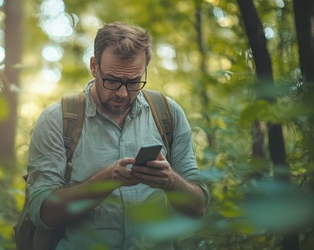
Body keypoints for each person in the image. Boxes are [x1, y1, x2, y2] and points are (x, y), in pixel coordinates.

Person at [26, 21, 209, 249]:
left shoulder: (168, 114)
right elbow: (42, 213)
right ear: (94, 67)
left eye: (134, 82)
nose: (122, 93)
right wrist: (106, 180)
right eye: (112, 80)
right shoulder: (57, 120)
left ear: (145, 70)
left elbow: (198, 207)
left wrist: (171, 181)